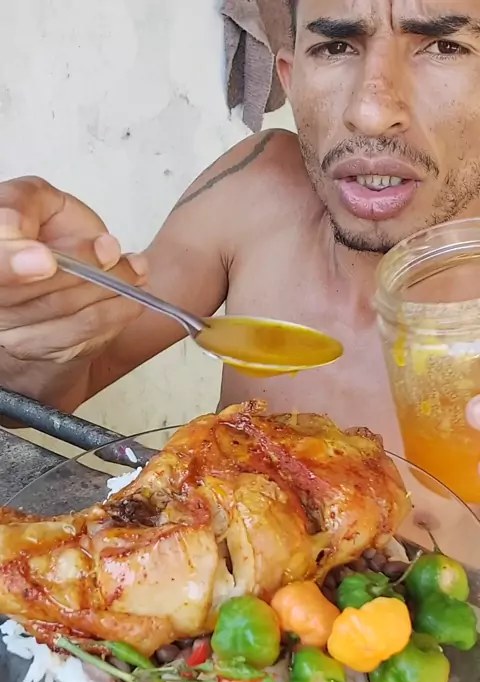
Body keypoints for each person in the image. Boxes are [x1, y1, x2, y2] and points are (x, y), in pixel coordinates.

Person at [1, 0, 480, 460]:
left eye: (445, 47)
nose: (371, 113)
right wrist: (38, 323)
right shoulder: (253, 193)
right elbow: (55, 389)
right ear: (291, 80)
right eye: (335, 47)